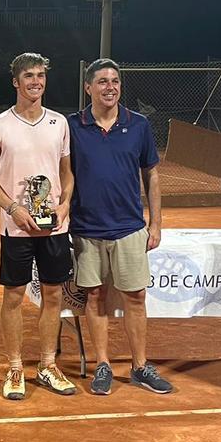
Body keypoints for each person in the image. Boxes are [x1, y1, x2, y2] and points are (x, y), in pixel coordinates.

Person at [67, 59, 170, 396]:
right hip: (86, 229)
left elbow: (151, 174)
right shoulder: (72, 126)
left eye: (114, 81)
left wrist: (155, 222)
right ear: (88, 88)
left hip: (128, 228)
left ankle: (140, 366)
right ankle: (103, 365)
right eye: (101, 82)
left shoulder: (138, 125)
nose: (109, 87)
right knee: (94, 297)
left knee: (136, 297)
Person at [0, 53, 76, 400]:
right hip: (16, 227)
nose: (36, 81)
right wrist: (13, 208)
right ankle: (16, 368)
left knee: (53, 295)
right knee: (15, 296)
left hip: (54, 228)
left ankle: (48, 366)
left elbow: (66, 172)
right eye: (29, 76)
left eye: (40, 76)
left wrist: (64, 204)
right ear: (16, 82)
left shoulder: (59, 123)